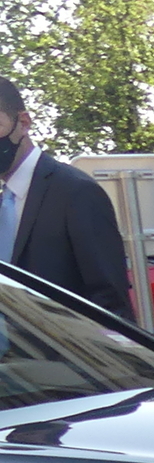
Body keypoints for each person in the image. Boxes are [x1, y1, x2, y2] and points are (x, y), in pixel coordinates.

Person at [0, 80, 133, 320]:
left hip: (65, 355)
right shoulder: (3, 201)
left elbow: (112, 304)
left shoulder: (76, 192)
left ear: (23, 123)